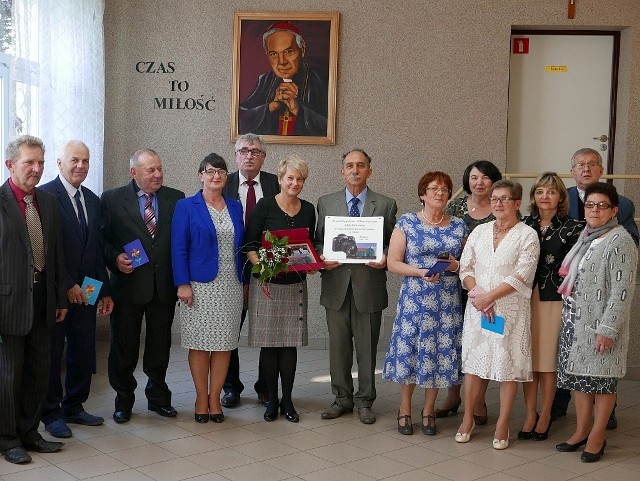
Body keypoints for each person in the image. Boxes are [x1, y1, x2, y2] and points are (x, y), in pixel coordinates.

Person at [551, 147, 638, 428]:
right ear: (572, 171)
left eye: (592, 164)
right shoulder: (559, 199)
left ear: (601, 170)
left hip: (602, 301)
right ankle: (573, 420)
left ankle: (600, 426)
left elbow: (628, 252)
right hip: (573, 303)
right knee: (573, 367)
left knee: (601, 372)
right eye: (580, 165)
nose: (586, 169)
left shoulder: (622, 208)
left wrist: (611, 254)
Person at [101, 148, 185, 423]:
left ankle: (158, 397)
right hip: (127, 287)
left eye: (160, 168)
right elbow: (100, 241)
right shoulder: (112, 200)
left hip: (163, 287)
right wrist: (115, 258)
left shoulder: (175, 198)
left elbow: (180, 242)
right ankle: (123, 399)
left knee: (160, 346)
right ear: (133, 172)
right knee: (124, 347)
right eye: (151, 170)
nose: (158, 174)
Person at [455, 180, 539, 450]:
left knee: (506, 367)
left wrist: (491, 297)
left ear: (517, 203)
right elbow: (465, 268)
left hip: (509, 309)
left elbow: (522, 273)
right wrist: (480, 295)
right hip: (478, 306)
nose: (499, 204)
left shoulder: (528, 235)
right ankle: (467, 418)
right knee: (474, 364)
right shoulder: (479, 231)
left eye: (505, 199)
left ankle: (503, 422)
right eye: (495, 199)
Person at [316, 149, 397, 424]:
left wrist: (386, 256)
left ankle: (365, 401)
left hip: (369, 285)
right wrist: (322, 257)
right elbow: (318, 241)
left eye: (360, 166)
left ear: (369, 171)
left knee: (367, 348)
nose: (355, 170)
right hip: (336, 286)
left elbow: (392, 244)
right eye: (349, 165)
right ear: (341, 171)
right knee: (338, 347)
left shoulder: (385, 204)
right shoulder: (325, 203)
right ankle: (341, 399)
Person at [39, 141, 114, 438]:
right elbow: (46, 249)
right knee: (54, 351)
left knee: (83, 348)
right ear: (59, 163)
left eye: (85, 160)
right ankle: (51, 412)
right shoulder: (45, 196)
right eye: (74, 160)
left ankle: (74, 405)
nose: (80, 166)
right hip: (58, 290)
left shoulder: (93, 200)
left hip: (89, 289)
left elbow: (95, 250)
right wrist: (68, 284)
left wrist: (104, 290)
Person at [383, 171, 467, 435]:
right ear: (422, 194)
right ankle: (405, 408)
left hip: (447, 302)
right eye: (433, 188)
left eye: (444, 189)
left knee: (439, 354)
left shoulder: (458, 225)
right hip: (415, 300)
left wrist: (455, 265)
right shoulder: (407, 222)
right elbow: (393, 262)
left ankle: (429, 410)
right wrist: (420, 272)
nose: (440, 193)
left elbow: (469, 264)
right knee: (411, 352)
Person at [0, 135, 67, 464]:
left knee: (39, 371)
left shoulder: (49, 202)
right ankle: (8, 437)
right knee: (10, 374)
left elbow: (56, 254)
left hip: (43, 300)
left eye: (41, 162)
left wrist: (59, 297)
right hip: (8, 303)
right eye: (30, 163)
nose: (37, 169)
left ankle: (29, 431)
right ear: (10, 164)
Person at [172, 154, 245, 424]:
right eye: (210, 171)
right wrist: (182, 284)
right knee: (201, 345)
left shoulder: (235, 207)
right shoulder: (186, 206)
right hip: (199, 287)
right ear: (200, 175)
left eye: (222, 172)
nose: (216, 176)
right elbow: (178, 247)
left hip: (230, 285)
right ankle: (201, 398)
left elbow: (241, 246)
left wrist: (246, 281)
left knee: (224, 345)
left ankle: (215, 398)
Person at [244, 155, 316, 422]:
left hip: (295, 285)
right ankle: (271, 401)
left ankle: (288, 400)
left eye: (300, 179)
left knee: (290, 345)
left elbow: (310, 246)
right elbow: (250, 245)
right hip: (267, 285)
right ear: (280, 179)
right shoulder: (264, 206)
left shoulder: (308, 209)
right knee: (269, 346)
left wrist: (315, 261)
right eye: (290, 178)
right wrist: (262, 267)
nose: (295, 183)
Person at [435, 160, 503, 425]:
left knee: (485, 339)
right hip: (455, 285)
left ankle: (479, 399)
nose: (479, 182)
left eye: (485, 178)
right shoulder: (455, 207)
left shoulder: (500, 206)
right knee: (456, 340)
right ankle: (453, 396)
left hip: (489, 288)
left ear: (494, 181)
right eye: (474, 177)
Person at [519, 173, 583, 441]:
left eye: (551, 191)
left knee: (547, 359)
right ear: (533, 196)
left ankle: (546, 413)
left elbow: (573, 269)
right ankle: (530, 413)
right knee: (528, 358)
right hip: (522, 296)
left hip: (553, 298)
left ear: (560, 197)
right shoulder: (523, 224)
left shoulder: (574, 227)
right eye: (540, 191)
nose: (545, 196)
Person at [221, 133, 279, 408]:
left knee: (267, 331)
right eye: (244, 150)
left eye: (256, 151)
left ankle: (265, 387)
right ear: (236, 155)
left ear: (263, 157)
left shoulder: (276, 183)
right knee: (231, 329)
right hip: (230, 269)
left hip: (267, 268)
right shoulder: (223, 183)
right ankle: (231, 386)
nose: (249, 155)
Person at [239, 21, 328, 136]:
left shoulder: (320, 81)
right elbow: (240, 121)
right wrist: (271, 106)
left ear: (303, 50)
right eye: (273, 54)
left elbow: (330, 128)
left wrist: (297, 109)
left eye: (288, 51)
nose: (282, 62)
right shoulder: (264, 80)